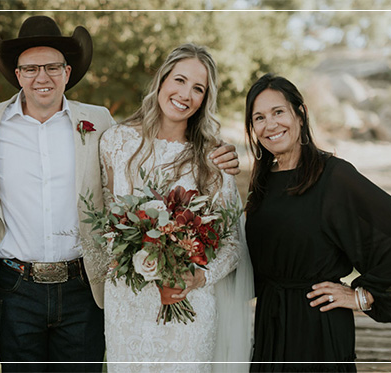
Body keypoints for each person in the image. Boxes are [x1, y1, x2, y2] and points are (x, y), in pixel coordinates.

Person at [0, 16, 241, 372]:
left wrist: (216, 151)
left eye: (52, 67)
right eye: (30, 68)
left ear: (67, 73)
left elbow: (150, 157)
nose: (41, 77)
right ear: (17, 75)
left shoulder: (101, 125)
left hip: (82, 287)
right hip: (15, 289)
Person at [99, 44, 254, 372]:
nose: (186, 94)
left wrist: (197, 278)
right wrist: (129, 254)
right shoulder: (115, 142)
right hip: (127, 304)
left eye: (198, 88)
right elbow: (107, 222)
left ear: (204, 100)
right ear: (161, 79)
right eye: (180, 80)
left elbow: (232, 244)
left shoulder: (212, 158)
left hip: (189, 307)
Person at [244, 73, 391, 372]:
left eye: (278, 112)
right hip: (270, 323)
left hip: (317, 324)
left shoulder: (333, 176)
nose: (270, 125)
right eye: (259, 117)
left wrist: (363, 297)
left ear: (300, 114)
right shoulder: (263, 181)